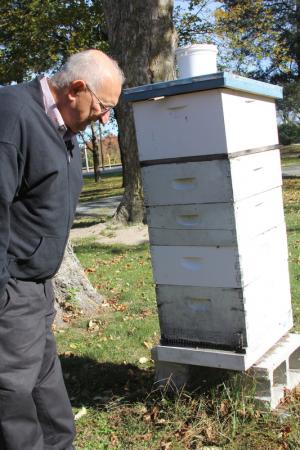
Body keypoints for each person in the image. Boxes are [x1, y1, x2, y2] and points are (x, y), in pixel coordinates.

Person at [0, 49, 124, 450]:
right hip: (11, 290)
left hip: (38, 286)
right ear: (75, 89)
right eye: (104, 107)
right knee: (12, 394)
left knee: (44, 383)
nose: (105, 118)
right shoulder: (14, 114)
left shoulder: (64, 130)